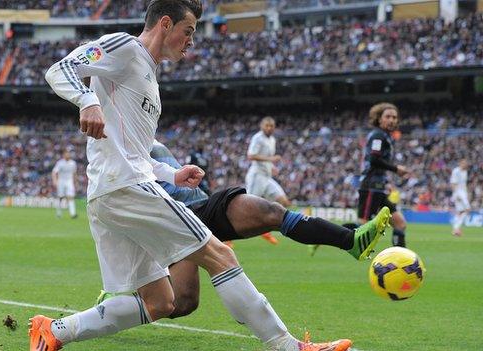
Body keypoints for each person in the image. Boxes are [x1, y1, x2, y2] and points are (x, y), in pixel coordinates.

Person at [31, 1, 352, 350]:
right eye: (189, 31)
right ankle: (288, 346)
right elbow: (61, 68)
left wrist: (172, 173)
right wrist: (86, 99)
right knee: (220, 256)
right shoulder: (125, 47)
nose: (190, 41)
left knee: (160, 302)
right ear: (165, 23)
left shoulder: (149, 79)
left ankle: (54, 330)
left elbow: (133, 152)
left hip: (112, 193)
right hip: (125, 188)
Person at [97, 140, 390, 319]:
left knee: (271, 211)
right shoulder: (115, 141)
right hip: (168, 221)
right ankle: (120, 303)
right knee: (183, 302)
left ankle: (351, 240)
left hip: (199, 209)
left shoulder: (146, 131)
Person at [357, 102, 411, 247]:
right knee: (362, 227)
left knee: (400, 224)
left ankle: (400, 260)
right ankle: (322, 240)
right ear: (379, 119)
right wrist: (396, 169)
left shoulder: (386, 137)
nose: (392, 120)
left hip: (379, 187)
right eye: (388, 117)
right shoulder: (378, 136)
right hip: (370, 186)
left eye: (394, 117)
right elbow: (374, 159)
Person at [244, 116, 290, 245]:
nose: (269, 128)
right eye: (267, 126)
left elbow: (267, 158)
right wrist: (270, 160)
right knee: (246, 207)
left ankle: (269, 229)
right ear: (262, 126)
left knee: (283, 201)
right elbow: (251, 155)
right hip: (257, 176)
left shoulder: (272, 139)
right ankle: (227, 237)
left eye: (271, 126)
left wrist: (272, 167)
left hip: (267, 176)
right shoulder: (258, 138)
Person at [52, 150, 78, 218]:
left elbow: (74, 173)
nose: (68, 155)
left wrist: (75, 182)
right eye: (66, 154)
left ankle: (73, 214)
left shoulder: (73, 163)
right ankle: (58, 213)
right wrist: (55, 180)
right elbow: (54, 172)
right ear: (63, 155)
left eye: (68, 154)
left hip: (69, 181)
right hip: (61, 181)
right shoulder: (60, 163)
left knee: (71, 197)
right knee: (60, 197)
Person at [450, 159, 470, 236]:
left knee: (461, 211)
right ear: (460, 163)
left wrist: (466, 194)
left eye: (466, 163)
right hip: (458, 192)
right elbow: (453, 183)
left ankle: (456, 229)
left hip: (463, 193)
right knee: (467, 209)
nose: (466, 165)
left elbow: (464, 184)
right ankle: (456, 229)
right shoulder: (456, 171)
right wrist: (456, 194)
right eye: (464, 163)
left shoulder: (465, 172)